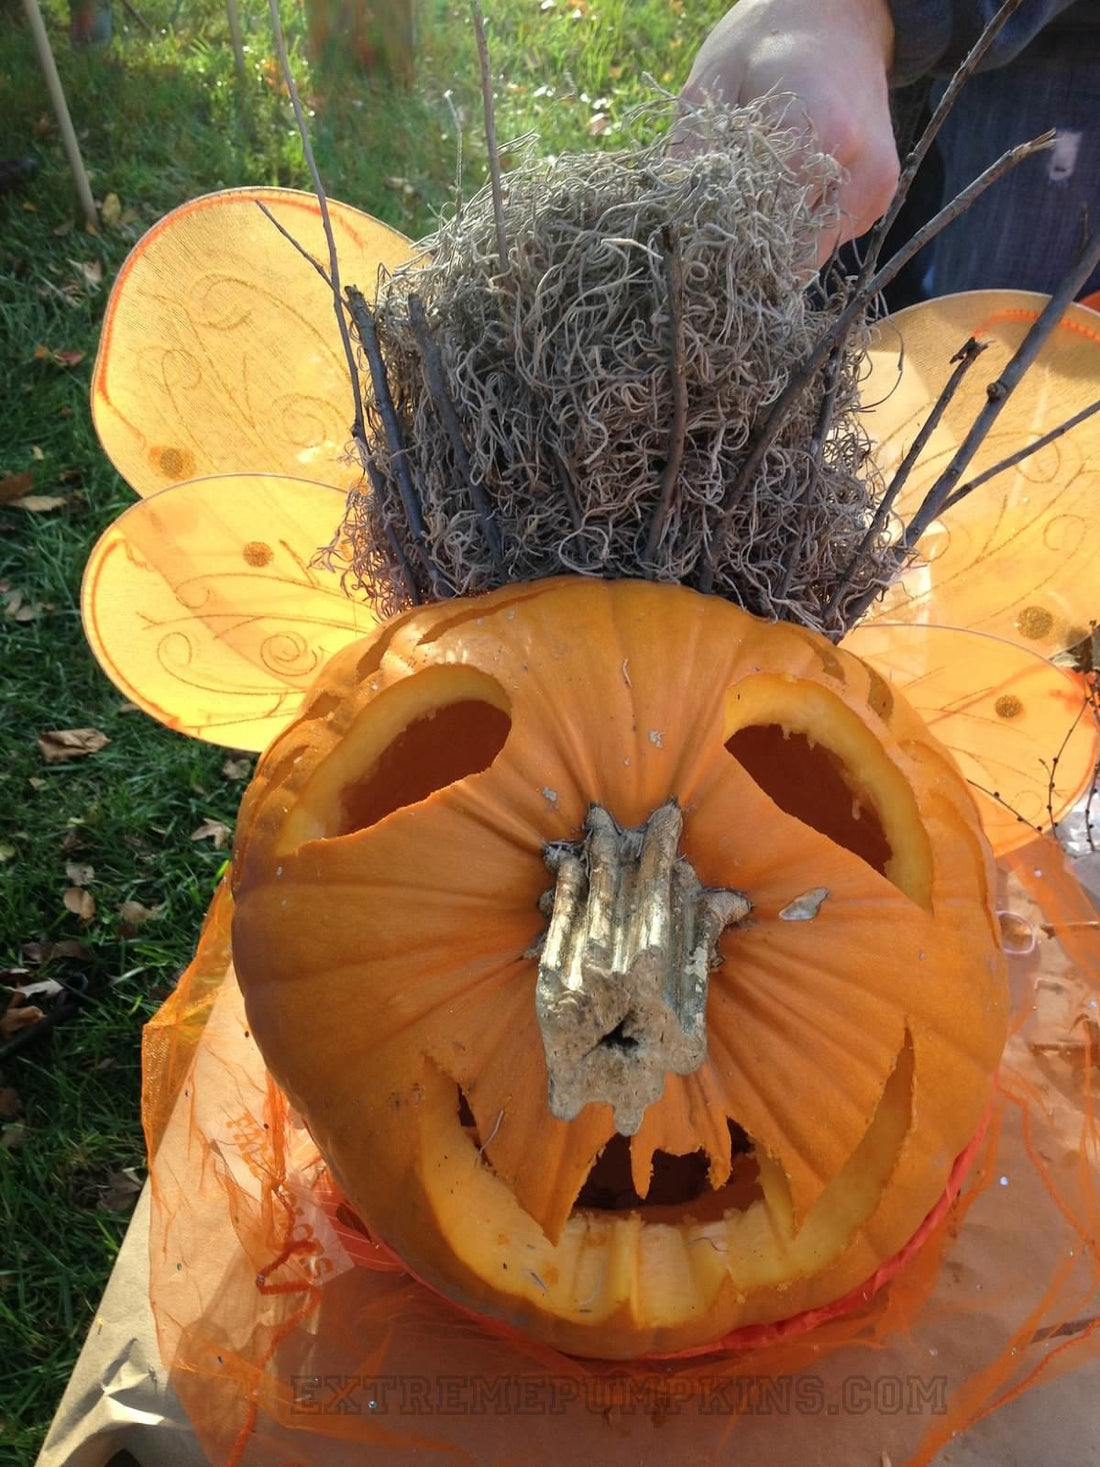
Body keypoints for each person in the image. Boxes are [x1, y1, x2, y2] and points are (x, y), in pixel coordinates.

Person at [677, 0, 1100, 299]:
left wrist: (862, 9)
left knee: (999, 326)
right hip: (896, 46)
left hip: (1078, 51)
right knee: (835, 244)